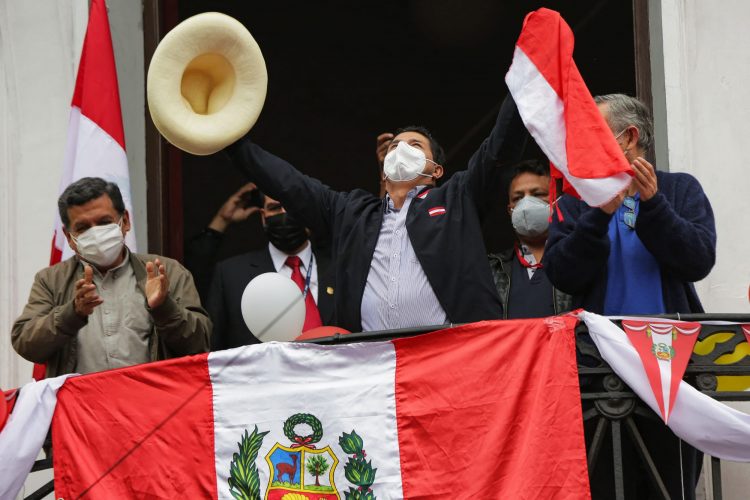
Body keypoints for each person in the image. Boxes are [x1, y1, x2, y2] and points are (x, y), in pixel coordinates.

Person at [225, 92, 526, 332]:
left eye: (414, 145)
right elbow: (289, 184)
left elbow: (500, 148)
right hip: (373, 369)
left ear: (436, 170)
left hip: (449, 357)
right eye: (395, 146)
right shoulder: (351, 213)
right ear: (383, 171)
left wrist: (524, 80)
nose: (401, 150)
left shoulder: (457, 197)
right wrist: (231, 141)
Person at [544, 94, 716, 499]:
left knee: (669, 489)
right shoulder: (574, 201)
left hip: (671, 371)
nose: (581, 144)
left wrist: (654, 205)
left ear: (629, 137)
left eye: (593, 132)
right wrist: (597, 215)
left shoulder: (679, 189)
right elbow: (563, 274)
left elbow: (698, 260)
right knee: (604, 487)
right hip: (598, 373)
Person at [11, 177, 211, 377]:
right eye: (83, 228)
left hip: (150, 403)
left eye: (104, 222)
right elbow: (26, 343)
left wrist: (164, 307)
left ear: (125, 221)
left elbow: (200, 344)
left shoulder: (166, 271)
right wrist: (72, 313)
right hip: (80, 406)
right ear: (69, 238)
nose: (96, 233)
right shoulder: (51, 280)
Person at [206, 191, 335, 350]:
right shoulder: (230, 275)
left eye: (293, 207)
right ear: (263, 217)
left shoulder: (341, 268)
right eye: (275, 208)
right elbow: (213, 349)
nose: (284, 215)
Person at [487, 160, 571, 318]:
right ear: (510, 210)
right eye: (518, 198)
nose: (526, 204)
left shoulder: (578, 260)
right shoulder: (493, 269)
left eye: (538, 194)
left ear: (558, 200)